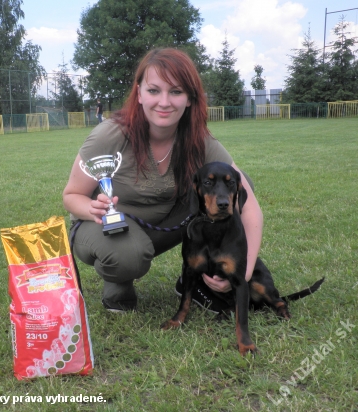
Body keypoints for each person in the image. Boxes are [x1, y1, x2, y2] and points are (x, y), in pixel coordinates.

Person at [63, 48, 263, 313]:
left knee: (234, 185)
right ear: (139, 93)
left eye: (176, 91)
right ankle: (118, 287)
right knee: (127, 254)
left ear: (190, 98)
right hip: (105, 226)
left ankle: (200, 271)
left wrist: (243, 275)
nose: (164, 102)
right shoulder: (109, 135)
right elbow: (71, 196)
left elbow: (249, 207)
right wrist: (91, 208)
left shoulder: (198, 138)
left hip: (165, 225)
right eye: (154, 90)